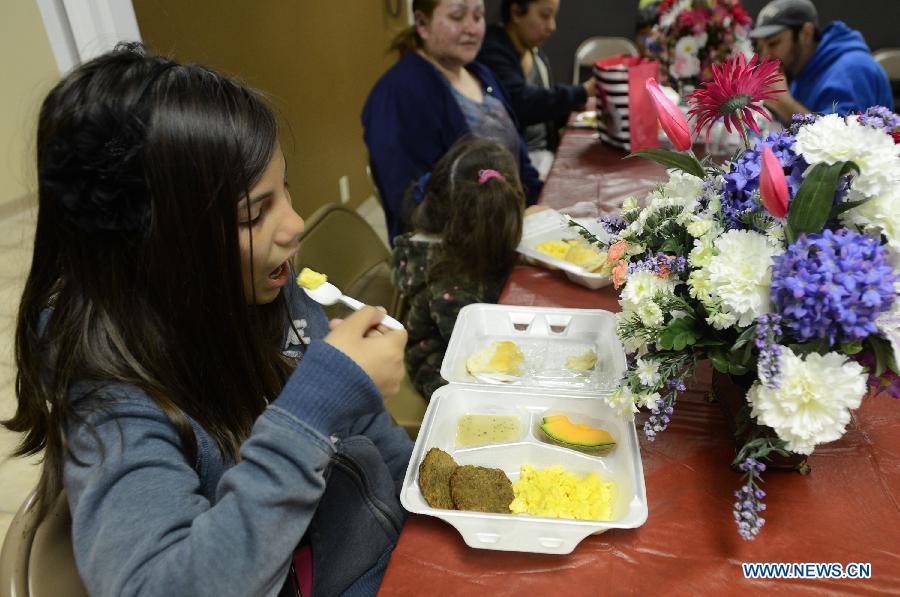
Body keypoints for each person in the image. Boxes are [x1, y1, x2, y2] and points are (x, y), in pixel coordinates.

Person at [2, 43, 412, 597]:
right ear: (156, 251)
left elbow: (371, 435)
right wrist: (315, 411)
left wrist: (423, 502)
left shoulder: (272, 293)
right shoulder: (114, 410)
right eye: (252, 214)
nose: (293, 225)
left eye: (284, 189)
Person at [362, 0, 541, 244]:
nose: (472, 28)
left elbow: (518, 157)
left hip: (513, 230)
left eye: (478, 17)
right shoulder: (399, 94)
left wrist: (539, 205)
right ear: (423, 24)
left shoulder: (481, 73)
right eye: (457, 16)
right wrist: (509, 222)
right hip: (456, 253)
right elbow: (411, 204)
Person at [391, 137, 524, 399]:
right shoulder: (450, 288)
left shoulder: (465, 244)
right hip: (441, 368)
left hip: (463, 333)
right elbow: (476, 355)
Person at [476, 0, 595, 179]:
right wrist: (582, 91)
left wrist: (571, 106)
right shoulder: (492, 51)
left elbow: (543, 107)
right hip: (519, 164)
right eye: (545, 15)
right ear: (516, 12)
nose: (552, 26)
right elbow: (522, 103)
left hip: (543, 156)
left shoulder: (535, 53)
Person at [749, 0, 894, 121]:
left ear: (806, 33)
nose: (764, 57)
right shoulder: (801, 68)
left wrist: (785, 105)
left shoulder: (852, 69)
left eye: (774, 43)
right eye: (760, 47)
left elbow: (842, 147)